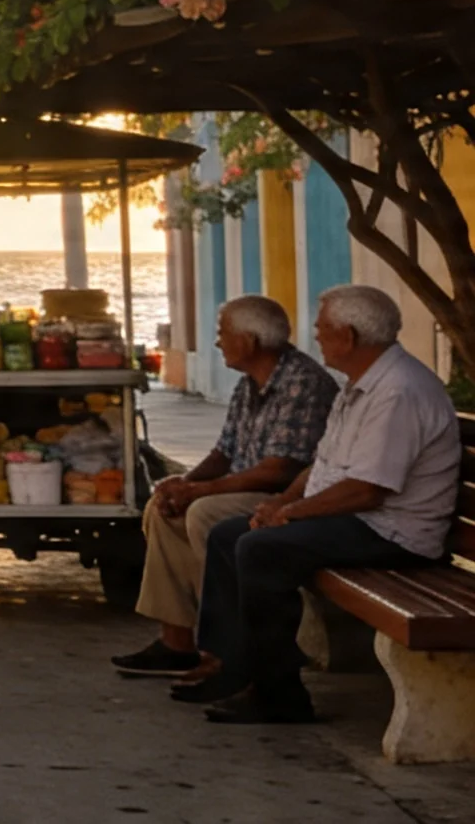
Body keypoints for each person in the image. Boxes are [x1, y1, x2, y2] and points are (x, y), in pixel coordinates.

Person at [183, 284, 462, 724]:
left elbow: (368, 490)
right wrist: (281, 502)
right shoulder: (360, 386)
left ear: (347, 337)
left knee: (261, 550)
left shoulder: (398, 392)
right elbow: (322, 465)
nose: (315, 339)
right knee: (229, 534)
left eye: (322, 329)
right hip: (361, 519)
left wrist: (289, 515)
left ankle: (280, 694)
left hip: (394, 533)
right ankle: (232, 666)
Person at [110, 295, 334, 678]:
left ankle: (224, 648)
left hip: (286, 497)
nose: (217, 342)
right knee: (164, 507)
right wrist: (184, 482)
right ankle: (176, 642)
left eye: (222, 333)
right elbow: (223, 451)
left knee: (204, 513)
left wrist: (201, 492)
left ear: (248, 341)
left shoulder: (303, 383)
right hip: (248, 489)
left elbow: (279, 470)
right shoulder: (249, 384)